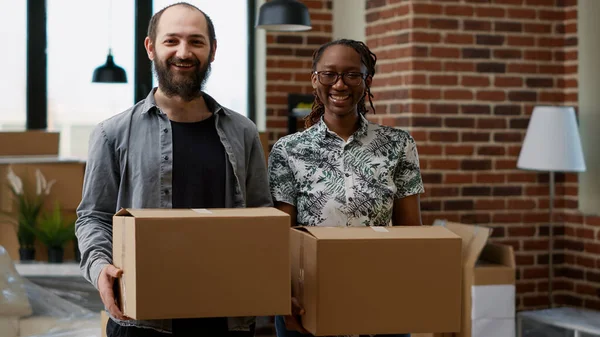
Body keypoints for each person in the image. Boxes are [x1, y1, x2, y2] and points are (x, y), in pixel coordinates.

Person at [75, 2, 271, 337]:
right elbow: (93, 215)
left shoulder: (243, 132)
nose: (184, 52)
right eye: (172, 41)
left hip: (226, 318)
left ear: (212, 50)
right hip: (142, 320)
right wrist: (99, 267)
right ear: (151, 47)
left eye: (196, 41)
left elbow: (261, 215)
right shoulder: (112, 133)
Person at [268, 39, 424, 337]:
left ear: (366, 81)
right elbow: (280, 235)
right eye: (329, 74)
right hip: (308, 299)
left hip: (380, 297)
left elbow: (410, 231)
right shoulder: (288, 150)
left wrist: (410, 295)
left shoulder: (399, 144)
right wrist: (281, 298)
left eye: (352, 75)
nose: (340, 84)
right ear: (315, 80)